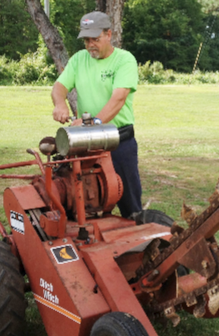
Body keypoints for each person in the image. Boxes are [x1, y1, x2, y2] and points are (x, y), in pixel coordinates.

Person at [51, 11, 142, 219]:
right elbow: (59, 87)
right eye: (86, 40)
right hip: (86, 142)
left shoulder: (124, 60)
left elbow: (118, 99)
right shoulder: (79, 60)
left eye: (95, 39)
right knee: (83, 197)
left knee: (130, 205)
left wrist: (94, 122)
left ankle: (139, 237)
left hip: (118, 140)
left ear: (109, 34)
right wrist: (60, 104)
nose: (90, 44)